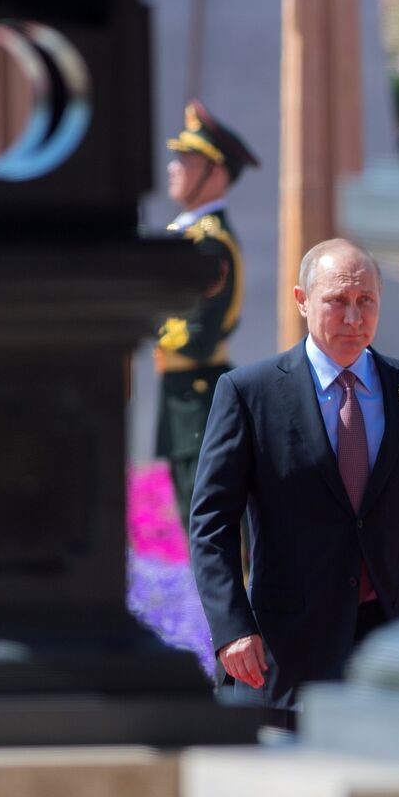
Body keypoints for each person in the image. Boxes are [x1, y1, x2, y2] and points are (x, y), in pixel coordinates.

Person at [189, 239, 399, 719]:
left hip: (393, 639)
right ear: (302, 300)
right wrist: (231, 628)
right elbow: (212, 524)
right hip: (285, 650)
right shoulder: (251, 393)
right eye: (337, 301)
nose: (354, 317)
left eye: (365, 301)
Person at [155, 99, 260, 532]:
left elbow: (197, 335)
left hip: (200, 394)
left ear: (215, 174)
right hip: (182, 393)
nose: (173, 167)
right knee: (194, 526)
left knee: (215, 534)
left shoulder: (209, 244)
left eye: (187, 159)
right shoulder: (186, 235)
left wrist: (138, 319)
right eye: (176, 157)